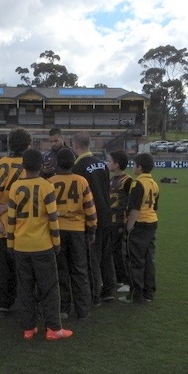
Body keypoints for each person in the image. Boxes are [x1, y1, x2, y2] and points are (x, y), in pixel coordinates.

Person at [7, 148, 72, 340]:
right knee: (50, 288)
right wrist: (57, 242)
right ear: (42, 165)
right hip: (43, 246)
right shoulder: (46, 186)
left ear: (23, 166)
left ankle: (29, 328)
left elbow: (11, 220)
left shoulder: (14, 187)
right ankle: (53, 329)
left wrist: (10, 244)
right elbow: (53, 218)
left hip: (20, 245)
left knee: (25, 288)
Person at [49, 147, 97, 319]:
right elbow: (90, 208)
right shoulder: (82, 181)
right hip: (77, 230)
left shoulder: (50, 182)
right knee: (80, 270)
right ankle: (83, 309)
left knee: (61, 270)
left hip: (58, 230)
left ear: (57, 163)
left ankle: (63, 309)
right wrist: (92, 229)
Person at [0, 128, 31, 317]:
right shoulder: (29, 165)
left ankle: (3, 305)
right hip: (23, 224)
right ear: (28, 144)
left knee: (2, 266)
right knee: (24, 267)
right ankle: (26, 303)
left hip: (1, 225)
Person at [72, 132, 115, 305]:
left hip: (91, 216)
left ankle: (94, 295)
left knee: (92, 257)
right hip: (107, 214)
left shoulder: (78, 167)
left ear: (75, 146)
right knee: (106, 255)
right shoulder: (102, 164)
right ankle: (108, 290)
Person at [118, 153, 159, 304]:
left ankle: (137, 295)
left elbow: (134, 209)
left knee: (135, 260)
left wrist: (129, 227)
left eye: (135, 165)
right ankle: (149, 293)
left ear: (139, 167)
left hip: (140, 224)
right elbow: (155, 206)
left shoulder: (137, 184)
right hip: (152, 222)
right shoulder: (154, 184)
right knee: (149, 259)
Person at [107, 150, 132, 294]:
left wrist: (127, 221)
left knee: (121, 252)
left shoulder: (127, 181)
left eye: (109, 161)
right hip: (111, 221)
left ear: (116, 165)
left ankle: (127, 281)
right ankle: (118, 277)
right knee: (112, 251)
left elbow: (131, 202)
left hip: (120, 221)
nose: (107, 163)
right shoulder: (111, 179)